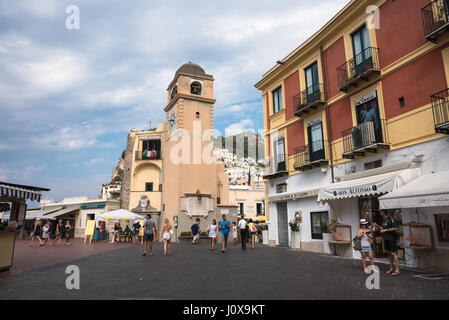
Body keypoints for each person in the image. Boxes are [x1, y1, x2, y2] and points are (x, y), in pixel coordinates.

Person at [374, 210, 400, 276]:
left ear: (383, 213)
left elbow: (396, 228)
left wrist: (386, 230)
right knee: (389, 253)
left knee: (394, 253)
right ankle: (391, 268)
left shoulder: (391, 218)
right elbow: (383, 228)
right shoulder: (384, 220)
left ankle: (397, 270)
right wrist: (377, 225)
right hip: (386, 238)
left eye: (381, 212)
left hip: (391, 238)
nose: (380, 213)